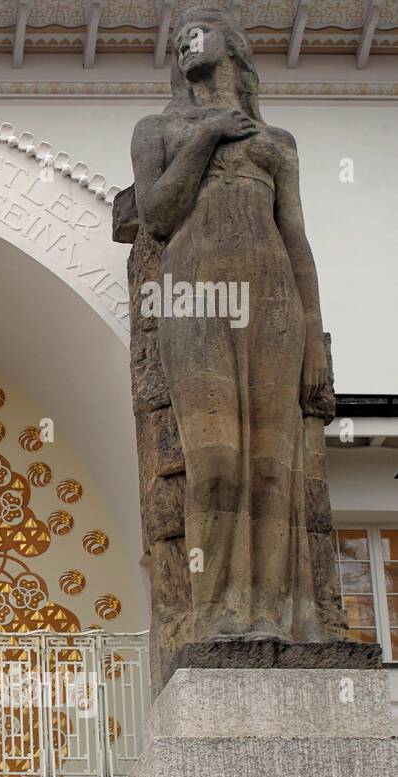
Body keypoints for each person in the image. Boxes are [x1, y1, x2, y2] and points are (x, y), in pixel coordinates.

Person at [129, 8, 326, 640]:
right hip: (196, 299)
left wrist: (314, 333)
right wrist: (207, 136)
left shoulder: (278, 143)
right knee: (214, 459)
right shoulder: (157, 129)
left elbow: (295, 237)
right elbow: (158, 213)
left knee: (273, 460)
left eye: (202, 28)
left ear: (232, 47)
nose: (188, 40)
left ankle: (275, 612)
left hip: (273, 301)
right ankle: (217, 612)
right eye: (178, 35)